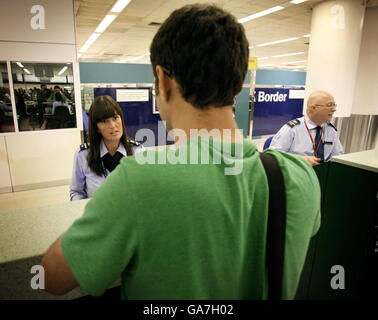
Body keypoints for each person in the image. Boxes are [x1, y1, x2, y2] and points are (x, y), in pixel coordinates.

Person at [41, 4, 321, 300]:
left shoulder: (138, 181)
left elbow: (50, 278)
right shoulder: (298, 177)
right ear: (236, 80)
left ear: (162, 80)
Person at [69, 95, 144, 200]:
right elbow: (76, 192)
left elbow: (145, 188)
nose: (112, 125)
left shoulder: (138, 151)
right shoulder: (83, 155)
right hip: (96, 214)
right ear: (96, 128)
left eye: (115, 118)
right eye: (104, 121)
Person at [269, 90, 344, 166]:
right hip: (298, 172)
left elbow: (338, 158)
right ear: (314, 108)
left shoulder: (331, 130)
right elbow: (273, 157)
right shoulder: (292, 129)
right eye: (329, 105)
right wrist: (298, 159)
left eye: (334, 105)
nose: (334, 109)